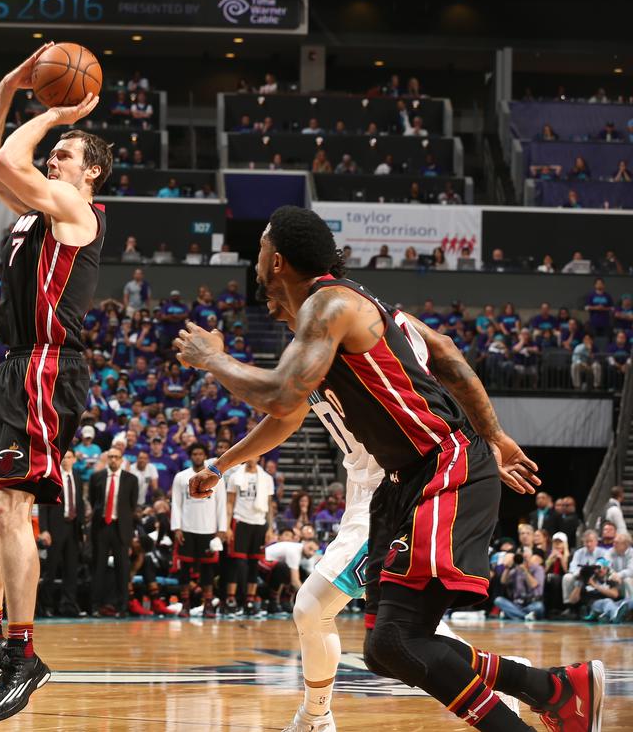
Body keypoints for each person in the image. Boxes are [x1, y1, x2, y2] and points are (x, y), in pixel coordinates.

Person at [174, 205, 603, 731]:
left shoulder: (330, 304)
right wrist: (495, 434)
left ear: (278, 260)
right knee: (386, 648)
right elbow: (440, 351)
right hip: (401, 486)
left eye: (261, 245)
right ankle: (554, 689)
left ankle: (323, 716)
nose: (257, 256)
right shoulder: (344, 311)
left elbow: (282, 392)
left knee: (385, 634)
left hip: (440, 466)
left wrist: (212, 358)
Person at [0, 43, 110, 722]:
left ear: (89, 171)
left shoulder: (74, 208)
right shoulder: (36, 211)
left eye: (67, 153)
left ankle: (23, 653)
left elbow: (12, 159)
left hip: (49, 367)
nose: (54, 160)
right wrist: (11, 87)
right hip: (14, 366)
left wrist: (53, 115)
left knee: (13, 509)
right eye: (57, 152)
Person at [170, 444, 227, 617]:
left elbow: (221, 504)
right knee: (185, 570)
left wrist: (221, 529)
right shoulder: (181, 477)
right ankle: (185, 604)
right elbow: (176, 503)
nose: (197, 456)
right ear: (190, 456)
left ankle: (208, 604)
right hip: (187, 528)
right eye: (194, 453)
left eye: (200, 453)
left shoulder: (217, 478)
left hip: (208, 529)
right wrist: (176, 527)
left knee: (207, 571)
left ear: (205, 456)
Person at [88, 448, 138, 616]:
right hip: (101, 527)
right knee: (98, 568)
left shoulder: (131, 479)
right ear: (106, 459)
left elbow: (132, 507)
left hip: (121, 527)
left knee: (122, 569)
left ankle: (122, 607)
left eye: (116, 457)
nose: (113, 460)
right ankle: (95, 606)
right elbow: (93, 500)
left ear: (122, 459)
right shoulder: (97, 477)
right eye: (110, 457)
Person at [224, 455, 274, 616]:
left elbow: (269, 505)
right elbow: (230, 502)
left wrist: (270, 528)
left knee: (254, 564)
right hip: (240, 521)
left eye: (255, 455)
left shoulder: (267, 478)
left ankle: (250, 600)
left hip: (259, 523)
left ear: (259, 457)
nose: (252, 457)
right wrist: (227, 525)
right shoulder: (234, 476)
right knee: (237, 562)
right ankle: (231, 599)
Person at [38, 451, 85, 617]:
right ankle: (48, 606)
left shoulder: (78, 478)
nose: (66, 460)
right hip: (55, 528)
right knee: (51, 569)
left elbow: (80, 504)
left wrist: (82, 530)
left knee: (71, 570)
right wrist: (44, 529)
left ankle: (68, 605)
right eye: (63, 457)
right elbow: (43, 505)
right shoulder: (51, 477)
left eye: (69, 457)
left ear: (74, 460)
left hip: (73, 528)